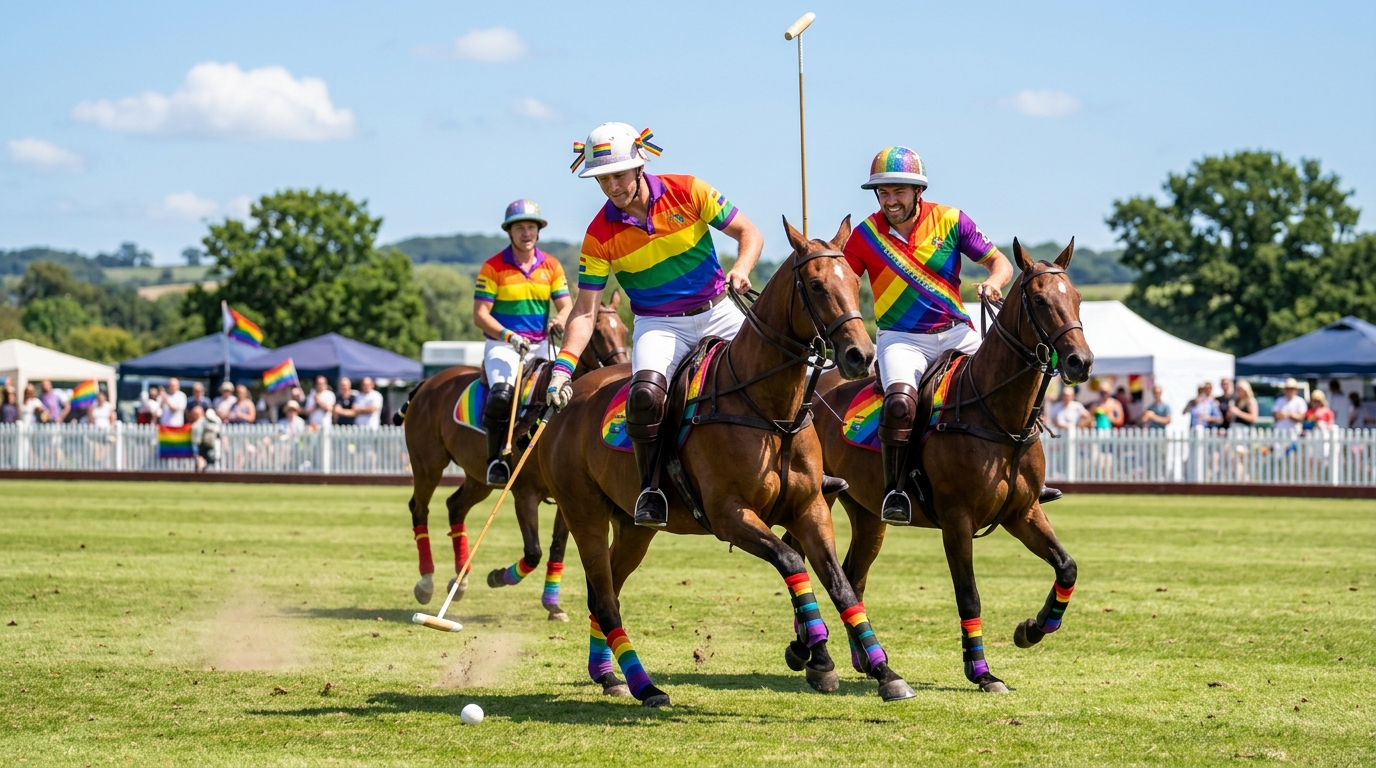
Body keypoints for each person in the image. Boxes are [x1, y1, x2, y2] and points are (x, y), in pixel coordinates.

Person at [546, 122, 762, 526]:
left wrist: (742, 268)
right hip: (660, 325)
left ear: (639, 164)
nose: (611, 186)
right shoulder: (598, 235)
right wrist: (563, 368)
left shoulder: (689, 190)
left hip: (718, 308)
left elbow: (748, 232)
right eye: (602, 179)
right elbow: (585, 312)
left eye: (617, 175)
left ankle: (811, 469)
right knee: (644, 394)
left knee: (786, 369)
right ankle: (652, 489)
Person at [836, 147, 1041, 523]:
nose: (890, 200)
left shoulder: (950, 220)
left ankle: (1028, 480)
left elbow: (999, 262)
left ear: (918, 191)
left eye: (899, 191)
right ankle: (897, 490)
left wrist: (993, 283)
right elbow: (843, 282)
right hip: (902, 338)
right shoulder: (865, 235)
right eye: (883, 193)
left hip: (956, 333)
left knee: (1011, 384)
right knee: (900, 403)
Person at [473, 199, 573, 484]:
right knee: (502, 395)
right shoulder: (493, 267)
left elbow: (566, 306)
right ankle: (495, 461)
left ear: (538, 231)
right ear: (509, 232)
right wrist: (509, 336)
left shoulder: (551, 266)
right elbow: (480, 315)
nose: (526, 233)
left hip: (541, 347)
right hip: (503, 347)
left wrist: (560, 319)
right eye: (520, 228)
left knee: (566, 394)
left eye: (531, 227)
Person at [188, 403, 222, 471]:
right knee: (200, 459)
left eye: (197, 414)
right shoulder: (198, 422)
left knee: (203, 458)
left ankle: (201, 470)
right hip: (199, 443)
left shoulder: (203, 422)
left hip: (202, 444)